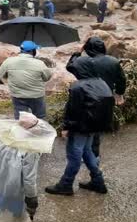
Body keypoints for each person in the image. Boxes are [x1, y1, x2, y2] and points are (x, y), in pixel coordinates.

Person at [45, 60, 113, 196]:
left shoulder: (78, 86)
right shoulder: (102, 82)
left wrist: (66, 127)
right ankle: (98, 182)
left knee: (74, 156)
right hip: (96, 126)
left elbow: (73, 110)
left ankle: (66, 184)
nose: (74, 73)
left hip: (80, 128)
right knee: (87, 152)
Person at [68, 36, 126, 159]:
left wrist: (78, 52)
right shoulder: (113, 61)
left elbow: (70, 66)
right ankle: (94, 156)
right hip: (105, 97)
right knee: (96, 130)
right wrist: (119, 94)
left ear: (88, 48)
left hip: (85, 96)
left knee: (82, 124)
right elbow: (121, 80)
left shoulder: (82, 62)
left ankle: (84, 154)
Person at [0, 41, 53, 119]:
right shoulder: (39, 63)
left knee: (20, 119)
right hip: (36, 96)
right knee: (40, 118)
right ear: (33, 51)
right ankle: (39, 130)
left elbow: (2, 75)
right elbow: (47, 77)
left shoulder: (8, 61)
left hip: (18, 95)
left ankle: (21, 131)